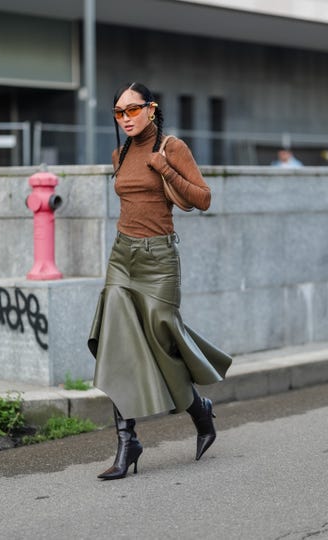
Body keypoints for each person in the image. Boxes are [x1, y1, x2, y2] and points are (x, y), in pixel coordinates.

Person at [88, 82, 232, 480]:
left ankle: (200, 411)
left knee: (164, 344)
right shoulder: (120, 153)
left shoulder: (171, 147)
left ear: (151, 110)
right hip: (122, 256)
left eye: (132, 110)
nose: (126, 118)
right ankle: (126, 441)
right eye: (119, 112)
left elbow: (203, 199)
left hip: (160, 259)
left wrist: (164, 167)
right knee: (116, 343)